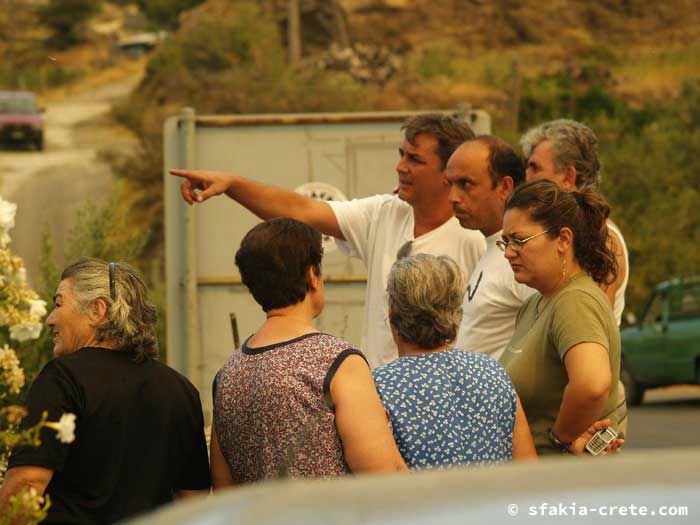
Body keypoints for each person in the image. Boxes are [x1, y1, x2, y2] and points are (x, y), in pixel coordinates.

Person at [170, 113, 485, 368]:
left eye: (415, 159)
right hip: (382, 399)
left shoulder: (476, 237)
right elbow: (301, 210)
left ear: (449, 171)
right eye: (401, 154)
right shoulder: (385, 214)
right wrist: (232, 184)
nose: (400, 166)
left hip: (441, 400)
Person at [0, 259, 210, 523]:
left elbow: (26, 487)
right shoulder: (181, 389)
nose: (50, 320)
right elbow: (194, 501)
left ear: (98, 310)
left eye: (58, 303)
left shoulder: (62, 378)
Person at [209, 218, 406, 487]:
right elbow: (383, 475)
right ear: (313, 276)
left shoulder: (228, 374)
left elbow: (223, 486)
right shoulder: (335, 361)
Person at [372, 254, 537, 469]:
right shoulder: (491, 371)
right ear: (454, 311)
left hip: (424, 502)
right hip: (494, 501)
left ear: (392, 313)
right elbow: (527, 466)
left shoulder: (377, 386)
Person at [499, 180, 623, 455]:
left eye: (519, 240)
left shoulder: (574, 301)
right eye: (505, 242)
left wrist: (560, 439)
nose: (508, 252)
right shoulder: (534, 304)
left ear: (563, 239)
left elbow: (592, 384)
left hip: (557, 484)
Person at [520, 118, 629, 426]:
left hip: (573, 420)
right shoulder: (569, 235)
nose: (524, 177)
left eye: (534, 168)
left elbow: (588, 330)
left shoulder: (601, 238)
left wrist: (564, 436)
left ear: (568, 177)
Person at [446, 136, 535, 359]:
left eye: (465, 184)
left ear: (505, 186)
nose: (453, 197)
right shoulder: (493, 246)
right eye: (450, 184)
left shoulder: (526, 256)